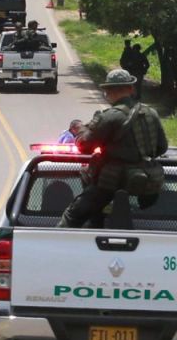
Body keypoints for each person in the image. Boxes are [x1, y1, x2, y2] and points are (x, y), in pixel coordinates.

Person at [58, 69, 168, 228]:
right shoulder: (151, 113)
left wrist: (80, 130)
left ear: (107, 91)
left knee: (72, 216)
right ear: (131, 88)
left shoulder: (109, 116)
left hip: (110, 183)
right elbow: (162, 147)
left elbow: (84, 146)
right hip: (149, 184)